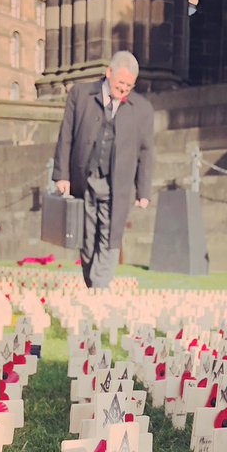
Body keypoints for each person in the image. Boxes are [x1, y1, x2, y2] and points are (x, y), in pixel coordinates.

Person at [53, 50, 154, 290]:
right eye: (120, 85)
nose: (123, 91)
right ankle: (93, 284)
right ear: (108, 73)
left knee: (110, 236)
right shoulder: (80, 94)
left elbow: (146, 152)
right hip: (84, 179)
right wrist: (62, 175)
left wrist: (143, 191)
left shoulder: (142, 109)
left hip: (117, 186)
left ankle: (99, 287)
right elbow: (65, 136)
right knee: (87, 239)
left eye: (129, 86)